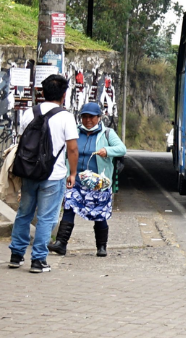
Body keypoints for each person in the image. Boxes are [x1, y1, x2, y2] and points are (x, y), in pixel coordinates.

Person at [9, 74, 78, 274]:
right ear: (64, 95)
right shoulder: (65, 116)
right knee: (46, 218)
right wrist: (73, 173)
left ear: (42, 91)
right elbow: (72, 149)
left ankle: (16, 255)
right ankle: (38, 260)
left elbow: (23, 142)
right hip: (53, 175)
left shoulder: (29, 113)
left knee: (24, 213)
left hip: (29, 172)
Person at [49, 102, 126, 257]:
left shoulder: (107, 133)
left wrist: (107, 150)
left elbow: (122, 149)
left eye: (91, 117)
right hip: (75, 179)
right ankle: (61, 244)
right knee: (69, 207)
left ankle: (101, 247)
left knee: (100, 213)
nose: (88, 120)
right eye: (84, 116)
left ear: (99, 117)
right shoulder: (75, 132)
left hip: (98, 183)